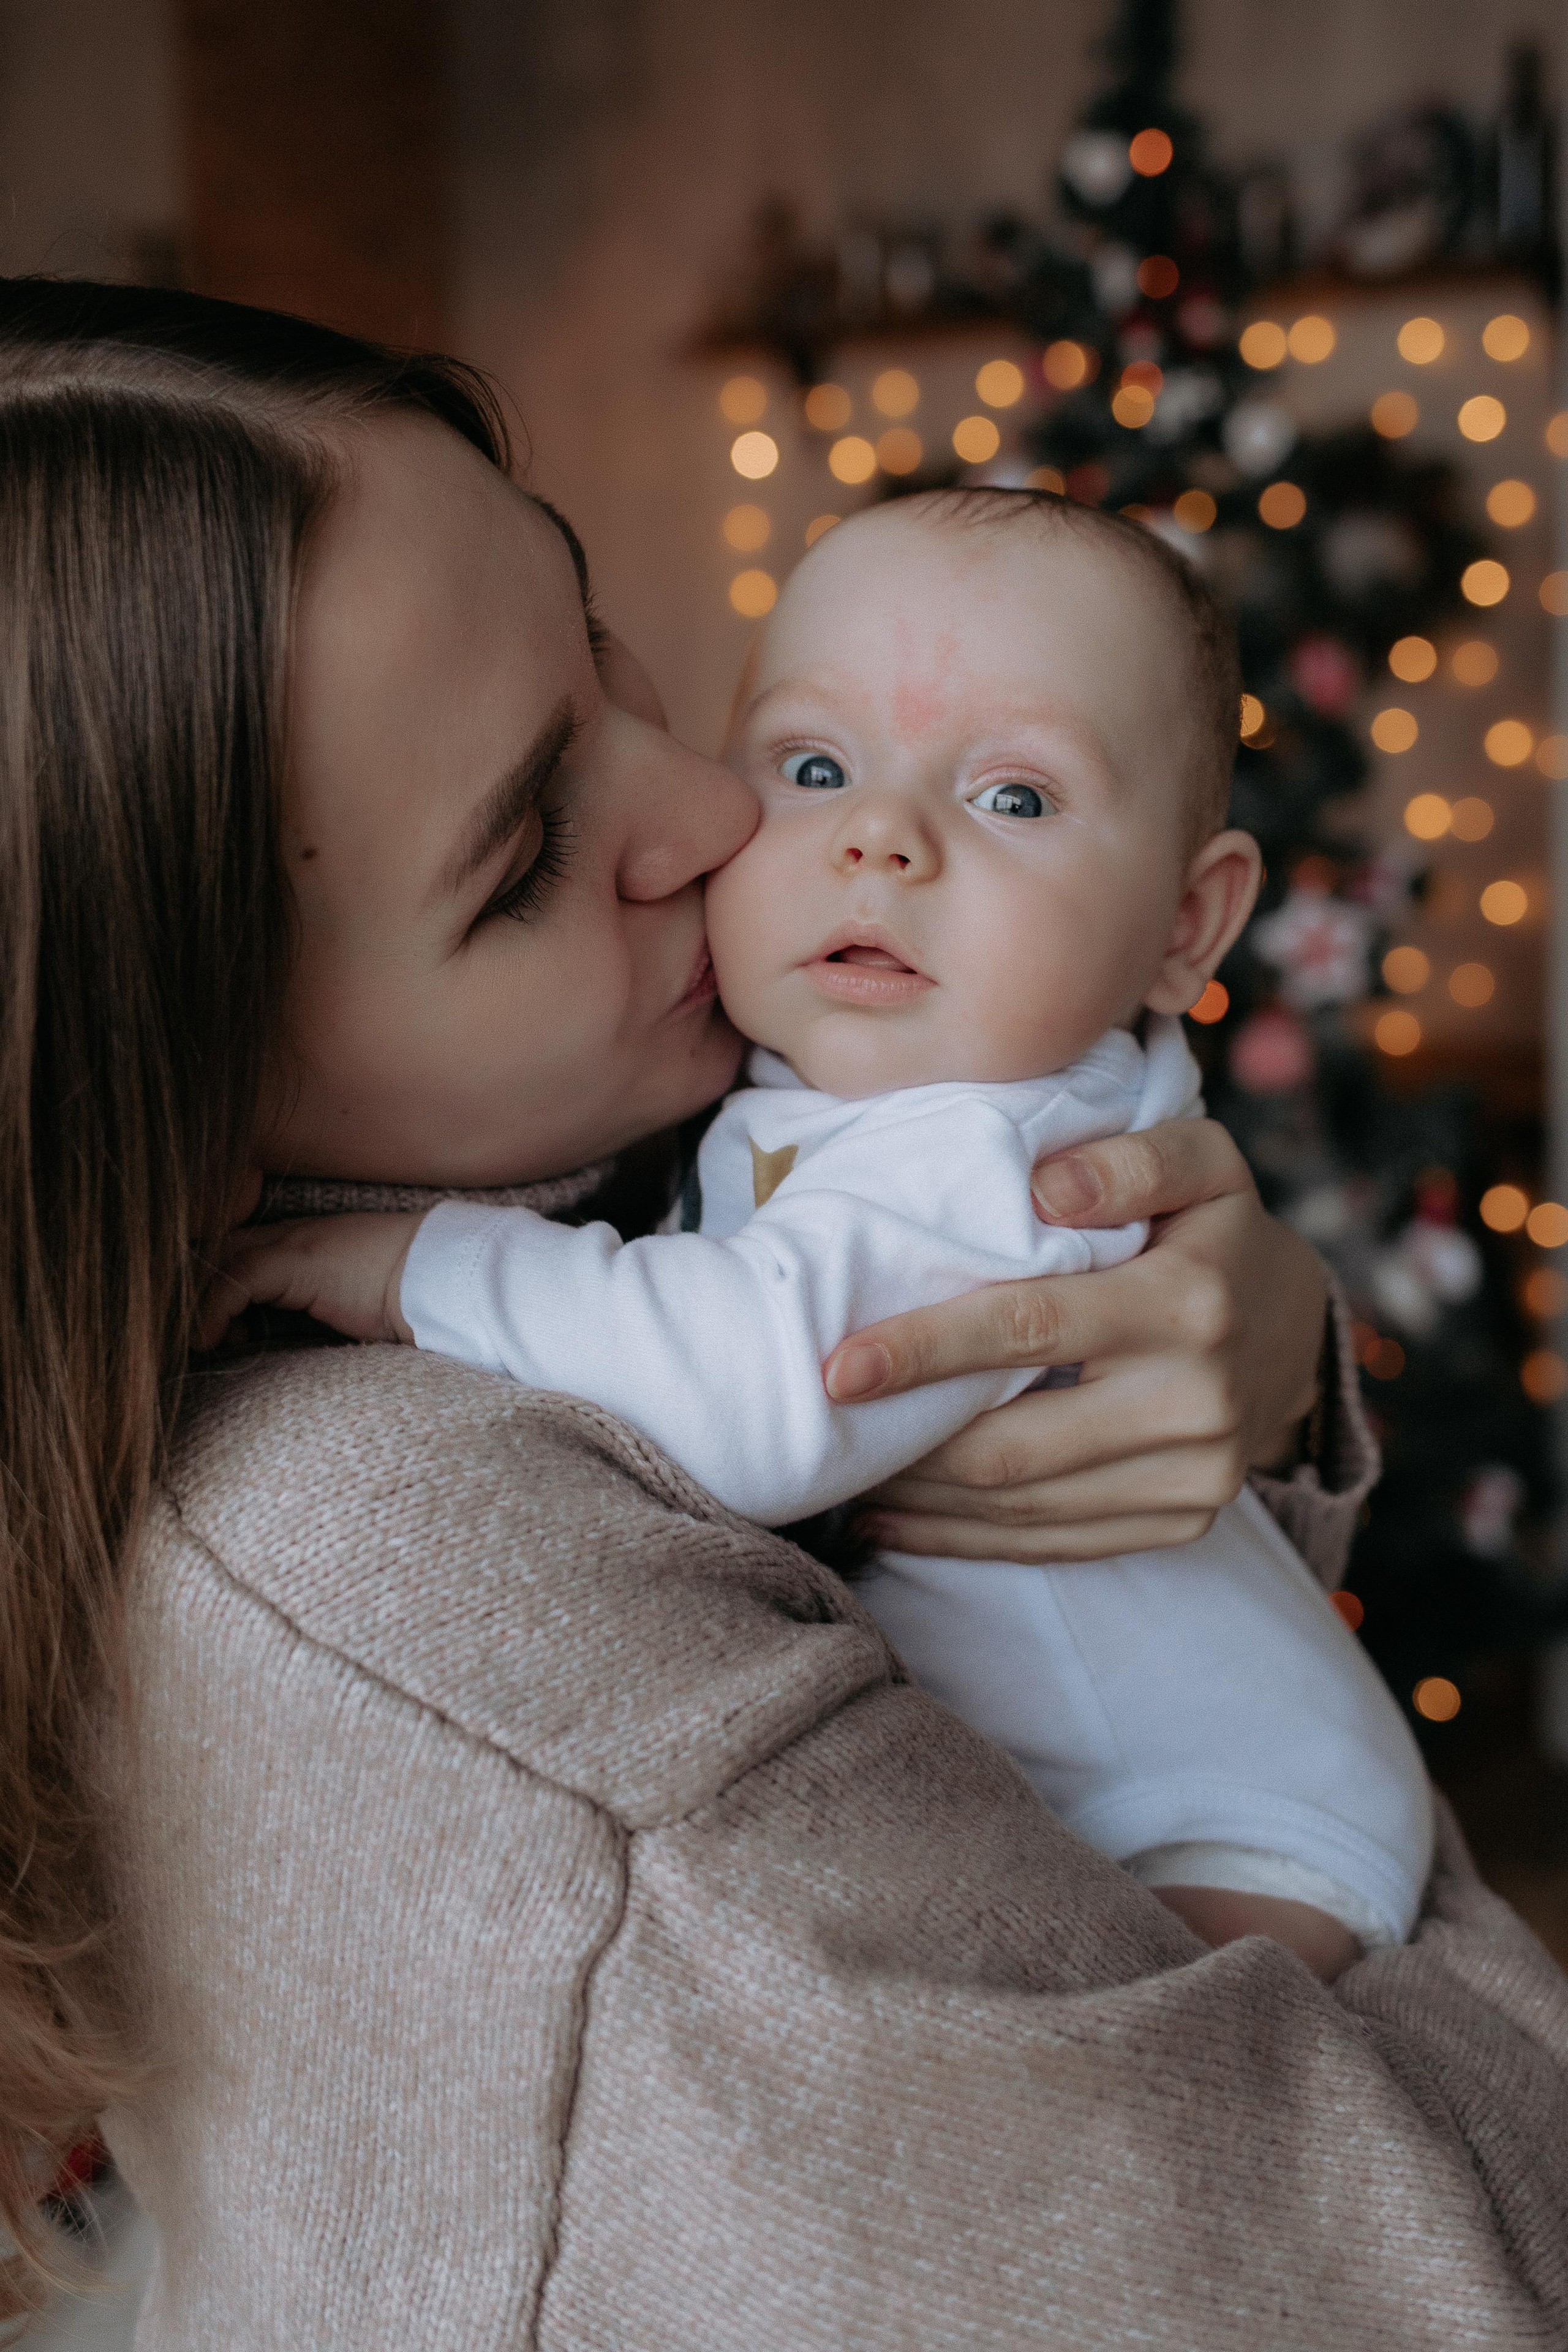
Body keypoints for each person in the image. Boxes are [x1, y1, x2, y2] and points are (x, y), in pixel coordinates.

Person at [1, 276, 1564, 2346]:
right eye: (527, 855)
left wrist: (1263, 1366)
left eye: (616, 668)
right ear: (174, 1107)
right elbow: (1431, 2282)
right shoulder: (451, 1595)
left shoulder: (624, 1136)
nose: (731, 818)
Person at [223, 491, 1430, 1981]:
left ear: (1185, 928)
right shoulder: (848, 1071)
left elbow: (760, 1397)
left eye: (1013, 799)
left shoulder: (983, 1147)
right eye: (812, 767)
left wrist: (411, 1268)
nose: (879, 839)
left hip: (1218, 1817)